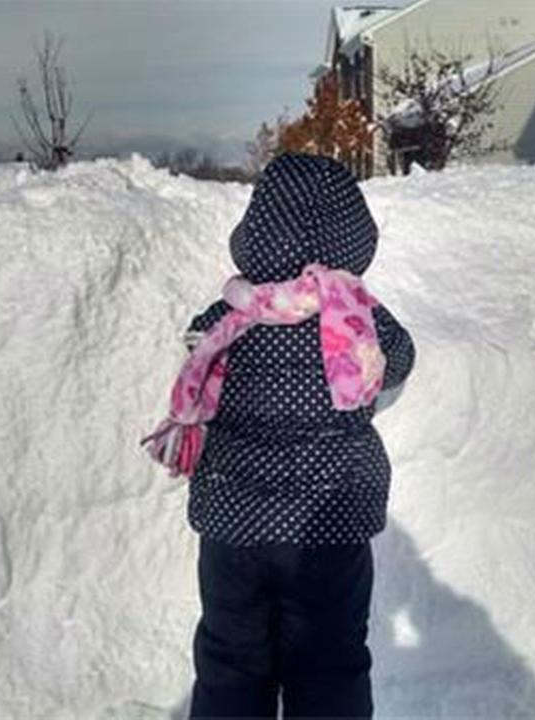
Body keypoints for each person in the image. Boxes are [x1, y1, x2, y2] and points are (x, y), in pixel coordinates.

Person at [142, 153, 416, 719]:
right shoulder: (360, 316)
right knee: (329, 663)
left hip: (233, 527)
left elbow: (197, 346)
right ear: (354, 236)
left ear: (254, 233)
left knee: (230, 660)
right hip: (329, 527)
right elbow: (398, 361)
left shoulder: (230, 312)